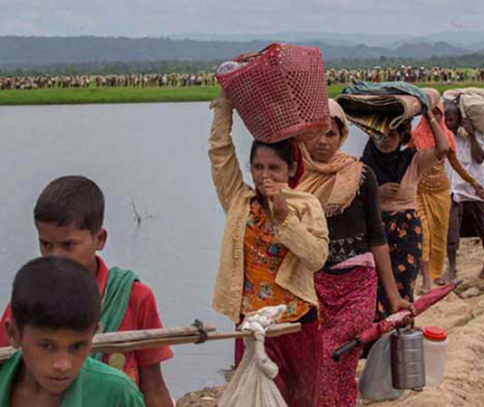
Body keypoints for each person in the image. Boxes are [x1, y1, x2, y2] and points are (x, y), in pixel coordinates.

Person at [0, 176, 174, 407]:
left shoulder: (133, 297)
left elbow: (154, 387)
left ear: (99, 239)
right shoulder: (28, 302)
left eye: (68, 245)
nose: (55, 257)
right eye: (46, 244)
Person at [209, 91, 329, 407]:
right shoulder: (239, 201)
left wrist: (284, 215)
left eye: (274, 168)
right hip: (252, 324)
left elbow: (317, 258)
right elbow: (220, 155)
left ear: (290, 170)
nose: (265, 176)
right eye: (258, 167)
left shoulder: (306, 205)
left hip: (296, 322)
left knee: (300, 401)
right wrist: (225, 108)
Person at [298, 99, 412, 407]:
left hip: (358, 285)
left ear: (342, 136)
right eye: (316, 133)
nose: (322, 140)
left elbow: (377, 239)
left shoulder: (360, 176)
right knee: (323, 362)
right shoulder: (297, 179)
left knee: (333, 353)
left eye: (331, 133)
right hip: (315, 286)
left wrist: (394, 297)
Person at [0, 256, 145, 406]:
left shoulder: (116, 395)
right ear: (13, 333)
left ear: (93, 334)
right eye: (48, 346)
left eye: (77, 346)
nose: (63, 366)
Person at [358, 92, 450, 319]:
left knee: (405, 283)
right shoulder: (362, 168)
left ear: (401, 137)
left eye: (391, 135)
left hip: (406, 231)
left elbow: (442, 149)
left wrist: (427, 114)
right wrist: (375, 195)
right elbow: (353, 201)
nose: (385, 140)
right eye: (379, 135)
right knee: (375, 284)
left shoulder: (413, 160)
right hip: (375, 231)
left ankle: (401, 329)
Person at [411, 89, 484, 288]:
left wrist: (473, 182)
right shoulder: (415, 135)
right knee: (424, 234)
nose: (433, 117)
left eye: (437, 113)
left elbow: (456, 164)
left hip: (441, 192)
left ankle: (436, 273)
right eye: (430, 112)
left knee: (439, 235)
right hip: (419, 191)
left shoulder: (447, 137)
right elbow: (404, 161)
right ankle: (426, 276)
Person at [443, 100, 484, 281]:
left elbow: (479, 158)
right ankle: (452, 267)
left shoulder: (475, 134)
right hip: (454, 187)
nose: (448, 124)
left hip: (475, 188)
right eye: (445, 121)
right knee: (451, 230)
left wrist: (472, 135)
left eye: (451, 120)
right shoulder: (446, 136)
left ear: (460, 119)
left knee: (483, 228)